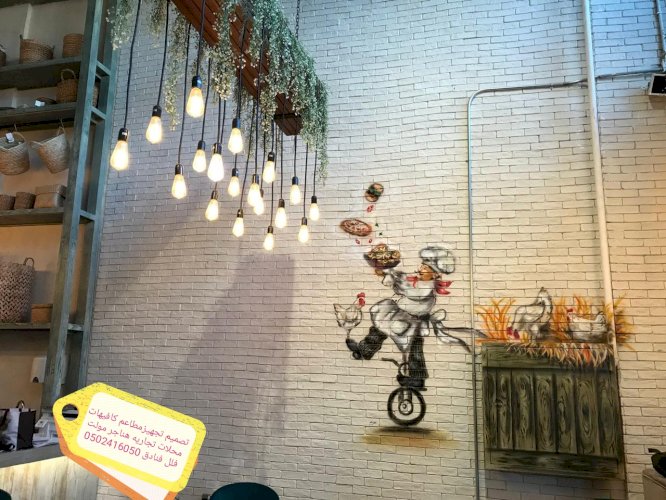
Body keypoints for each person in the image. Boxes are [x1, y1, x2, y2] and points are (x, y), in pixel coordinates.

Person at [345, 246, 464, 389]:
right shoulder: (418, 281)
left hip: (414, 322)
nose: (421, 268)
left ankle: (417, 379)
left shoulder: (427, 287)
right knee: (378, 329)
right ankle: (364, 350)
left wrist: (395, 276)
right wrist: (389, 273)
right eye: (422, 265)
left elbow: (411, 291)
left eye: (426, 268)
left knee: (415, 350)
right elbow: (402, 283)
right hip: (401, 315)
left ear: (435, 274)